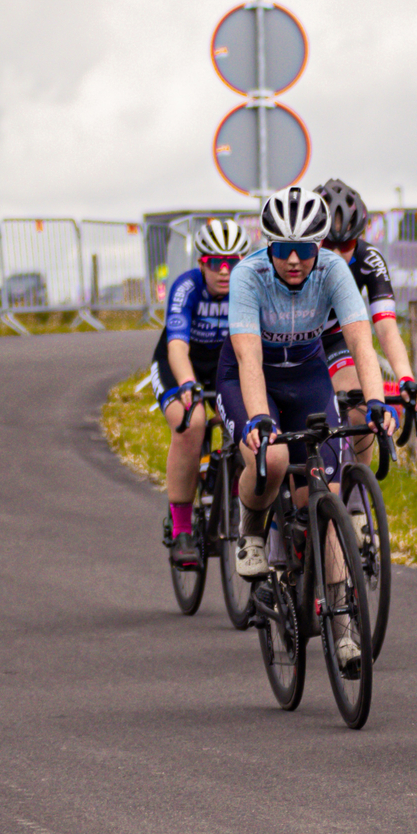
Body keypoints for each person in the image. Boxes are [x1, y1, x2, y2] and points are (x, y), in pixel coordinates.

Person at [221, 185, 390, 670]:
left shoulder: (334, 269)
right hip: (252, 377)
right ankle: (252, 527)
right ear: (267, 245)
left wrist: (376, 401)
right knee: (272, 457)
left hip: (308, 374)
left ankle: (342, 630)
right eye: (282, 250)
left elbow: (361, 340)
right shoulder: (248, 277)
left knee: (325, 492)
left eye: (305, 250)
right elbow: (249, 359)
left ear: (319, 246)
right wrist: (259, 419)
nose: (294, 260)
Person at [152, 214, 250, 568]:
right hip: (181, 364)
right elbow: (177, 345)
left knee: (248, 424)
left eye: (233, 263)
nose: (225, 271)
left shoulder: (250, 289)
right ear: (201, 264)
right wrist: (188, 384)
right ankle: (180, 530)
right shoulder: (187, 287)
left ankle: (236, 499)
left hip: (224, 367)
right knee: (190, 424)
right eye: (215, 263)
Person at [315, 176, 417, 446]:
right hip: (298, 343)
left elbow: (387, 329)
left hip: (335, 341)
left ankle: (357, 482)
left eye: (346, 245)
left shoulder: (369, 259)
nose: (338, 255)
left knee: (361, 408)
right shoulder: (298, 260)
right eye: (329, 245)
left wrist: (405, 378)